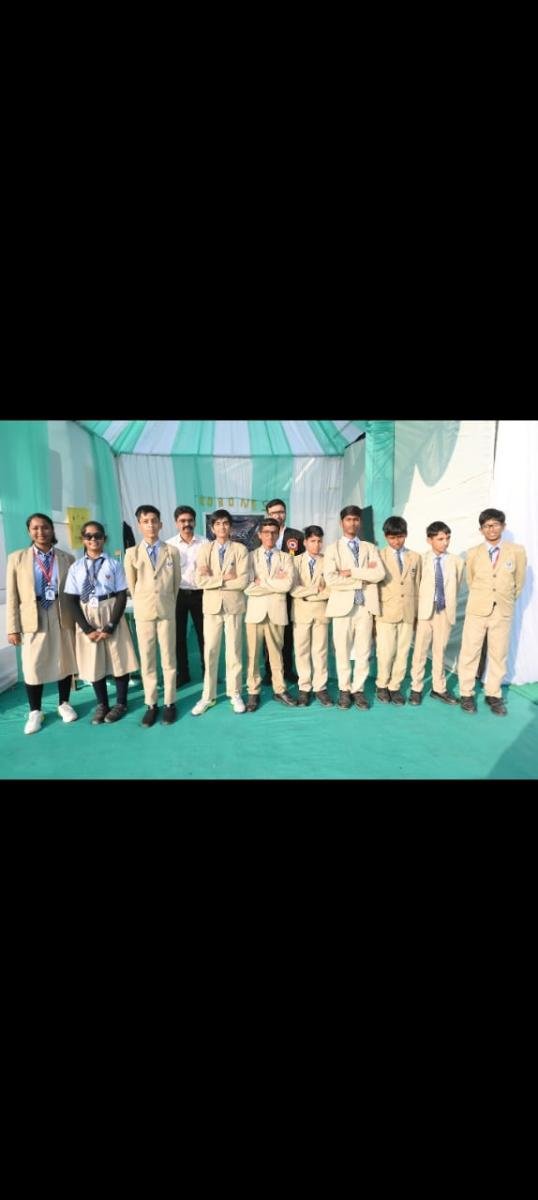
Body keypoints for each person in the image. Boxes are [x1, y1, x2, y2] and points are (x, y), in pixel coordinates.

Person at [6, 512, 78, 734]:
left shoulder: (67, 558)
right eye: (35, 528)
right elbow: (12, 596)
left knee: (64, 660)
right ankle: (35, 711)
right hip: (33, 613)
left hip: (60, 611)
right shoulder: (17, 558)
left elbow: (74, 593)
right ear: (29, 531)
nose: (41, 532)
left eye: (45, 527)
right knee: (32, 664)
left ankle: (64, 703)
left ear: (52, 529)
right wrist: (12, 628)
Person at [63, 521, 139, 724]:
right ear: (83, 539)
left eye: (97, 535)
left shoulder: (114, 564)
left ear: (104, 538)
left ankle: (121, 703)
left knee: (120, 659)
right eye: (88, 536)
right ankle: (103, 704)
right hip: (87, 613)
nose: (93, 539)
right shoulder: (76, 567)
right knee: (93, 660)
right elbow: (70, 599)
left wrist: (111, 624)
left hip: (110, 609)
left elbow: (121, 595)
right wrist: (87, 629)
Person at [458, 508, 527, 716]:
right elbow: (471, 581)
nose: (492, 529)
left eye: (496, 524)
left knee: (499, 653)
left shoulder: (517, 551)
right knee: (470, 652)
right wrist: (484, 597)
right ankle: (466, 693)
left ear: (503, 526)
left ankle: (493, 694)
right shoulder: (473, 553)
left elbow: (519, 582)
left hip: (502, 611)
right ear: (481, 529)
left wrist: (504, 600)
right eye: (487, 526)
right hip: (477, 610)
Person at [124, 505, 181, 726]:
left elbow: (175, 583)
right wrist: (144, 601)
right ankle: (151, 703)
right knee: (147, 659)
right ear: (139, 525)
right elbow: (132, 584)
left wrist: (166, 601)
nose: (150, 525)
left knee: (169, 659)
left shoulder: (171, 551)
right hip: (144, 613)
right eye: (145, 521)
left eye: (154, 521)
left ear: (161, 524)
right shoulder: (131, 553)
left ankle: (169, 703)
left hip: (166, 611)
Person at [324, 505, 385, 710]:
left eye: (356, 519)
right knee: (342, 650)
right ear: (341, 522)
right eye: (349, 519)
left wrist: (351, 572)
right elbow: (331, 579)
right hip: (342, 608)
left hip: (365, 607)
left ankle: (358, 690)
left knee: (363, 651)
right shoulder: (332, 549)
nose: (353, 523)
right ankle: (344, 689)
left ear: (360, 522)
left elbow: (379, 574)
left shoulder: (370, 548)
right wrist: (362, 578)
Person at [190, 510, 249, 716]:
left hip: (234, 607)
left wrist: (213, 579)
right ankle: (208, 696)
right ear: (212, 528)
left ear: (230, 526)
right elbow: (200, 580)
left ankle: (235, 693)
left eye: (225, 523)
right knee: (211, 651)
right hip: (212, 607)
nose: (222, 527)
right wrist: (224, 578)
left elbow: (243, 581)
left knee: (234, 651)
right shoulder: (205, 549)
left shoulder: (240, 549)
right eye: (218, 524)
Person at [409, 520, 464, 706]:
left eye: (447, 538)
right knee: (420, 651)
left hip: (444, 612)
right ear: (429, 540)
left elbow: (456, 586)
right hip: (425, 612)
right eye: (440, 539)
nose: (445, 542)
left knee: (440, 651)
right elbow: (415, 587)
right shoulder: (420, 560)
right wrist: (415, 613)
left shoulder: (457, 562)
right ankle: (416, 688)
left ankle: (438, 688)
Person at [244, 517, 297, 711]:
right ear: (259, 535)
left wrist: (262, 582)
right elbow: (247, 586)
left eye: (273, 532)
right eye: (266, 532)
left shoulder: (286, 557)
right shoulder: (250, 557)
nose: (270, 536)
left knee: (277, 654)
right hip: (255, 613)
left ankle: (279, 689)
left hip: (276, 611)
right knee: (253, 655)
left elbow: (287, 585)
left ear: (278, 534)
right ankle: (253, 691)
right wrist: (274, 582)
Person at [252, 499, 304, 684]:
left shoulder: (297, 535)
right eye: (273, 513)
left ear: (286, 513)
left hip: (291, 594)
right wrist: (275, 580)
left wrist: (286, 578)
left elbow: (301, 563)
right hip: (267, 595)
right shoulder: (259, 536)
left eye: (281, 512)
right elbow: (256, 571)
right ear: (268, 514)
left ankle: (287, 669)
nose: (278, 515)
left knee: (287, 635)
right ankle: (270, 671)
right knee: (268, 635)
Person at [375, 516, 422, 705]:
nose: (396, 541)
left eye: (400, 537)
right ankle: (382, 684)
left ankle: (395, 686)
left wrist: (416, 614)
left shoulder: (415, 557)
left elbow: (417, 587)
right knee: (385, 652)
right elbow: (374, 588)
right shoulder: (378, 556)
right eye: (392, 537)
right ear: (386, 537)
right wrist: (373, 615)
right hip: (385, 612)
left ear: (406, 535)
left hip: (408, 612)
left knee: (403, 652)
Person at [290, 525, 333, 706]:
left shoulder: (328, 561)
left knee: (320, 651)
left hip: (321, 613)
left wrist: (307, 594)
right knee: (301, 651)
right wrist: (314, 590)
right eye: (313, 541)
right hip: (301, 613)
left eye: (319, 541)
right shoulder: (294, 561)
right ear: (305, 542)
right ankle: (304, 688)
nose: (317, 545)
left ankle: (320, 688)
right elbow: (292, 588)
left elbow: (331, 589)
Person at [166, 505, 207, 686]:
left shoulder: (205, 543)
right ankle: (183, 674)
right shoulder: (169, 545)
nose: (186, 524)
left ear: (195, 522)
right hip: (178, 595)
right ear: (176, 523)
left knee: (205, 636)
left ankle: (208, 672)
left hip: (201, 594)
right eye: (182, 521)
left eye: (190, 520)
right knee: (178, 636)